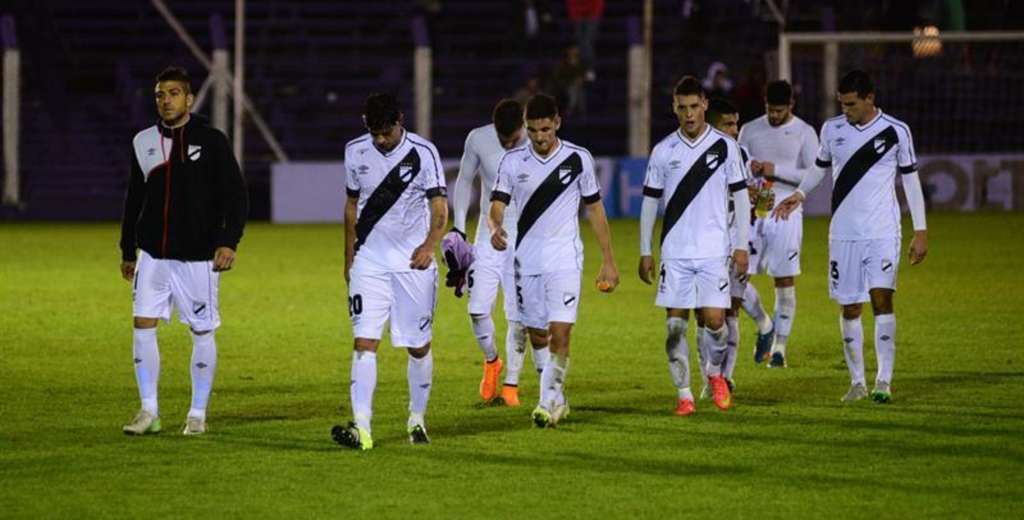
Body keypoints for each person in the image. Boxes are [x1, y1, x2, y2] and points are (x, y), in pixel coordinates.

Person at [773, 70, 928, 404]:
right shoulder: (832, 129)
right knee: (850, 306)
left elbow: (911, 181)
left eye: (852, 104)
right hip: (843, 234)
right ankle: (857, 381)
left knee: (882, 299)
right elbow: (818, 167)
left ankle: (883, 381)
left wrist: (921, 230)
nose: (846, 110)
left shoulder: (897, 131)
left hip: (883, 231)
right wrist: (799, 194)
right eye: (842, 104)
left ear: (870, 98)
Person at [119, 66, 248, 436]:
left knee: (202, 331)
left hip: (198, 257)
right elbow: (134, 199)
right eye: (160, 94)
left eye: (174, 93)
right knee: (142, 325)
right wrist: (129, 249)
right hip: (152, 256)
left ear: (189, 99)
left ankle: (197, 413)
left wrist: (228, 241)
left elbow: (235, 196)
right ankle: (148, 411)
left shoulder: (212, 141)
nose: (166, 100)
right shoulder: (142, 141)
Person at [489, 93, 619, 427]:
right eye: (532, 131)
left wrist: (608, 259)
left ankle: (546, 403)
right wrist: (495, 225)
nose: (539, 137)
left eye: (545, 129)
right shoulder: (513, 162)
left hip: (565, 259)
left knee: (560, 334)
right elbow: (498, 203)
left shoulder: (578, 159)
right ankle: (558, 400)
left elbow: (595, 209)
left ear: (557, 123)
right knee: (538, 338)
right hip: (526, 261)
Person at [332, 93, 448, 449]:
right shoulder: (355, 150)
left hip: (413, 263)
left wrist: (430, 244)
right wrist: (349, 255)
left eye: (387, 133)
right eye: (375, 133)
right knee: (364, 342)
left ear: (401, 120)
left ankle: (416, 418)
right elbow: (352, 205)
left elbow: (440, 206)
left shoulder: (424, 153)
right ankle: (362, 429)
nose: (381, 140)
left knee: (417, 346)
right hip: (370, 262)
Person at [638, 77, 750, 416]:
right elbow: (649, 203)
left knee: (716, 321)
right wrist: (645, 249)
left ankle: (714, 373)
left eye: (694, 106)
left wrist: (741, 245)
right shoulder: (663, 151)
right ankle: (684, 394)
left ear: (704, 105)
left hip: (714, 250)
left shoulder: (725, 146)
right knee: (675, 326)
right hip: (675, 251)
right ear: (674, 108)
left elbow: (742, 198)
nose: (688, 114)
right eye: (681, 107)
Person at [446, 98, 545, 407]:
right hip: (489, 234)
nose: (508, 143)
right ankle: (492, 361)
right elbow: (463, 181)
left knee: (518, 316)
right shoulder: (478, 139)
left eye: (513, 138)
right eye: (503, 139)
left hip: (524, 237)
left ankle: (511, 386)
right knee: (477, 309)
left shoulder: (540, 142)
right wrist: (459, 230)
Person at [739, 80, 820, 368]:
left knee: (783, 280)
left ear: (791, 106)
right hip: (752, 212)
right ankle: (764, 323)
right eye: (770, 110)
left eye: (779, 110)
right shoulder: (749, 130)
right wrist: (750, 170)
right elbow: (736, 166)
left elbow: (814, 174)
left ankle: (779, 349)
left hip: (786, 211)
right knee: (737, 278)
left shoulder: (805, 132)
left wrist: (776, 170)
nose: (774, 115)